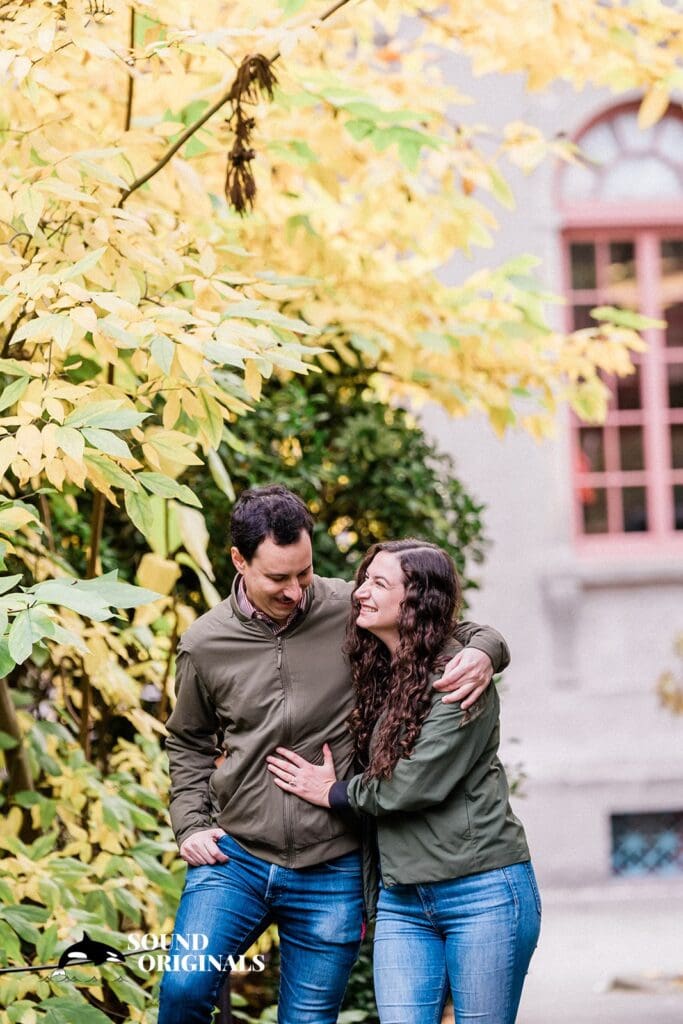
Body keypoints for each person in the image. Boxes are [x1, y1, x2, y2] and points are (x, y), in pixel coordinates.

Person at [159, 487, 511, 1024]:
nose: (296, 591)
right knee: (184, 986)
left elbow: (438, 623)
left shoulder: (348, 604)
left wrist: (487, 649)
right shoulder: (205, 644)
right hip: (238, 857)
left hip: (332, 863)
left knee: (307, 1019)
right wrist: (189, 824)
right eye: (278, 578)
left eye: (304, 572)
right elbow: (187, 740)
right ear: (239, 561)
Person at [267, 539, 540, 1024]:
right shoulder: (380, 670)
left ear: (415, 601)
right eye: (364, 580)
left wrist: (331, 792)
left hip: (481, 892)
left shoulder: (456, 680)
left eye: (379, 583)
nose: (361, 593)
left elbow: (408, 787)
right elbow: (478, 632)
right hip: (401, 900)